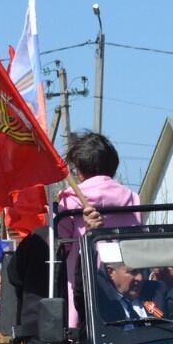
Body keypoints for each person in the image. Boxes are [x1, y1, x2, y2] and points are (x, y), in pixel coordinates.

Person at [56, 131, 141, 328]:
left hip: (83, 287)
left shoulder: (70, 200)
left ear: (79, 169)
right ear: (113, 166)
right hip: (126, 282)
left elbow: (63, 248)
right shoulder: (132, 198)